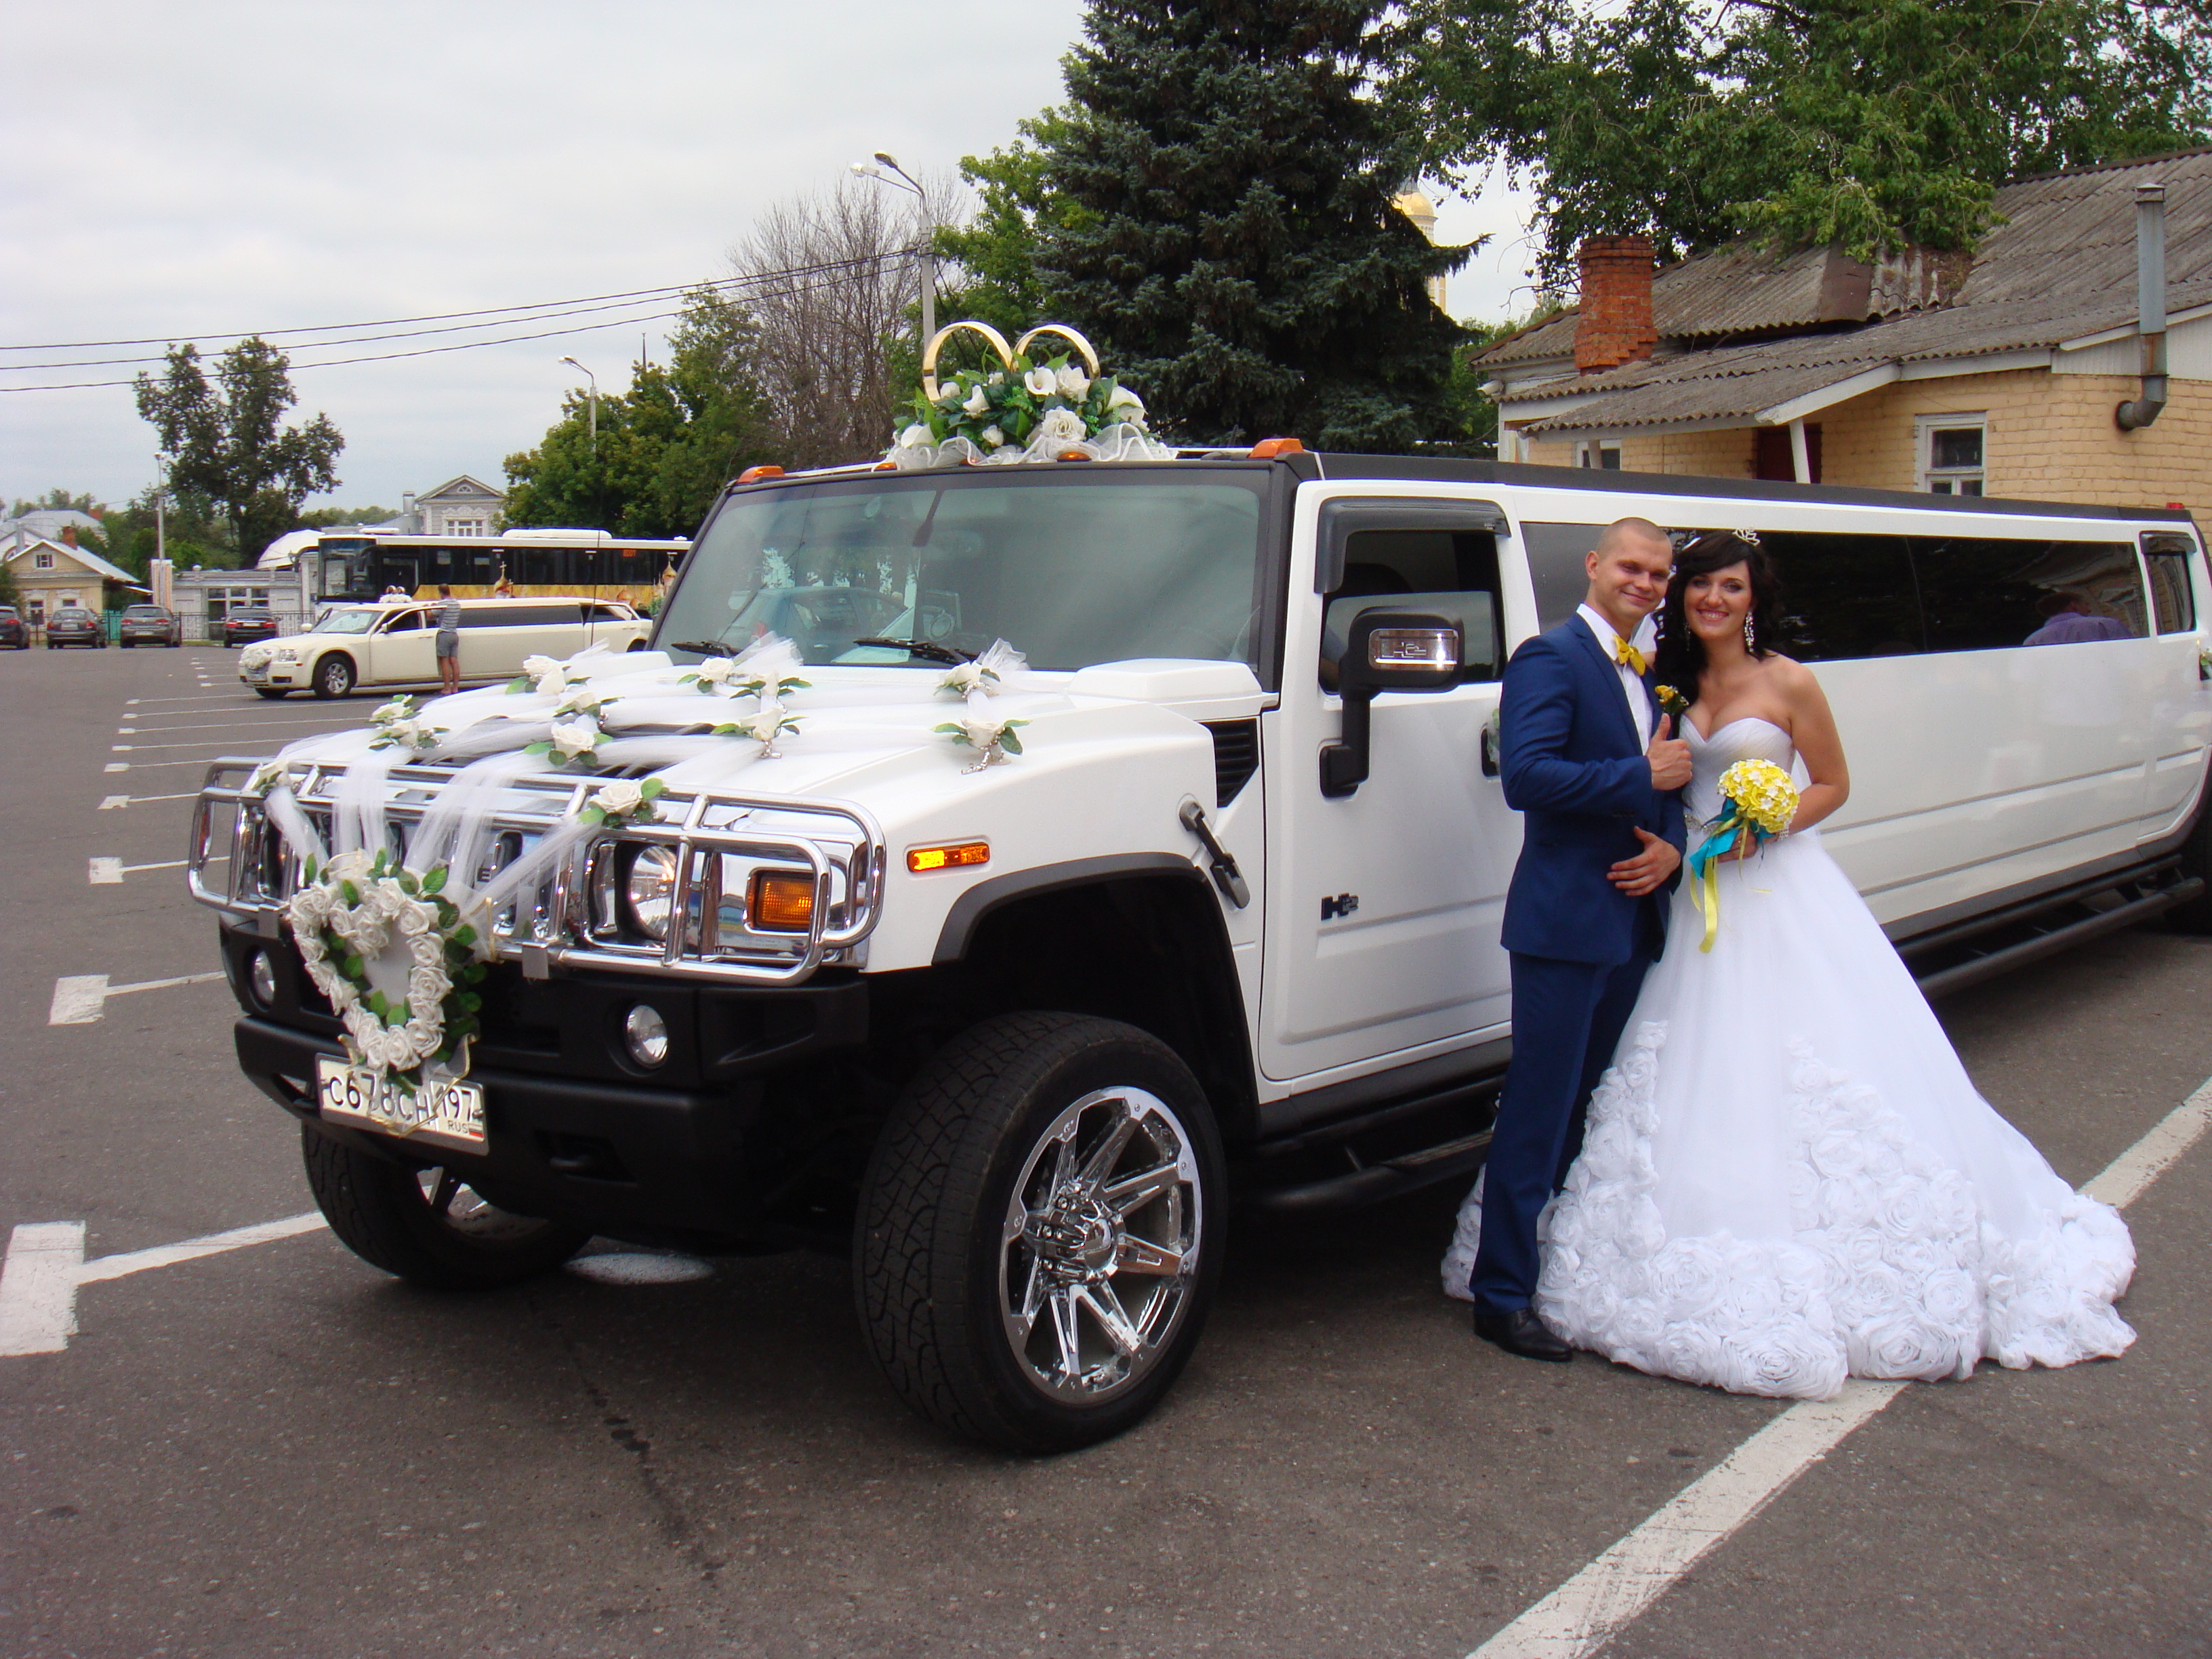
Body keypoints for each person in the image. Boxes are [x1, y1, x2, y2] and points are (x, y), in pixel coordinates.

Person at [1449, 531, 2135, 1397]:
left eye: (1714, 583)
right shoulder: (1634, 670)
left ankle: (1537, 1271)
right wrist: (1669, 826)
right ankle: (1507, 1289)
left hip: (1730, 899)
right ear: (1599, 568)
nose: (1698, 596)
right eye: (1677, 580)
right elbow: (1554, 778)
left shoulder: (1772, 678)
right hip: (1633, 910)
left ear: (1752, 596)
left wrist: (1746, 831)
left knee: (1673, 1086)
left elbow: (1829, 782)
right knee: (1576, 1097)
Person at [1460, 518, 1691, 1363]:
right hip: (1563, 921)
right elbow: (1527, 777)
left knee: (1590, 1102)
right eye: (1632, 566)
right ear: (1594, 566)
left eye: (1659, 574)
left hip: (1632, 918)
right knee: (1540, 1105)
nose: (1646, 583)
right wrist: (1642, 777)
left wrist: (1670, 846)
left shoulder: (1648, 668)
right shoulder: (1550, 657)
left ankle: (1550, 1260)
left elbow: (1669, 775)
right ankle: (1502, 1296)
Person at [2024, 591, 2133, 645]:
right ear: (2074, 605)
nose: (2089, 610)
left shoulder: (2033, 640)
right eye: (2086, 604)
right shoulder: (2106, 625)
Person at [433, 584, 462, 696]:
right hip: (454, 634)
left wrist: (428, 607)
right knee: (454, 661)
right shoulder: (457, 604)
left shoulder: (442, 604)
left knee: (444, 662)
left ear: (441, 592)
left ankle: (447, 688)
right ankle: (455, 688)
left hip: (444, 634)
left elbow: (430, 614)